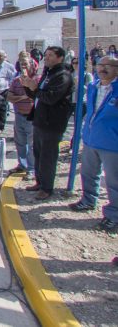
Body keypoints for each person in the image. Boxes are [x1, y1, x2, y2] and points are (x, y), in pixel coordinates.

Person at [68, 56, 118, 232]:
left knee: (113, 182)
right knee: (89, 173)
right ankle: (88, 200)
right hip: (91, 139)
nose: (102, 69)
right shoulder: (93, 87)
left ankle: (114, 215)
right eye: (100, 65)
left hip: (112, 143)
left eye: (108, 66)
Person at [21, 46, 73, 200]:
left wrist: (35, 88)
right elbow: (37, 95)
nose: (47, 57)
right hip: (40, 120)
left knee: (48, 157)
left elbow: (50, 98)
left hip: (52, 124)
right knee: (38, 154)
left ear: (60, 57)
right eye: (46, 55)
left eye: (50, 55)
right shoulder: (48, 73)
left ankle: (47, 188)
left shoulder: (62, 76)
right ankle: (39, 182)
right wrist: (28, 86)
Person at [7, 57, 40, 181]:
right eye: (21, 64)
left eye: (26, 64)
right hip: (19, 115)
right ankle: (22, 164)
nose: (23, 67)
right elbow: (9, 97)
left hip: (32, 117)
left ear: (32, 65)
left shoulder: (37, 79)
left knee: (31, 144)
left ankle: (31, 169)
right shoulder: (16, 81)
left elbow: (34, 97)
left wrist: (21, 96)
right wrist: (23, 97)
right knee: (20, 142)